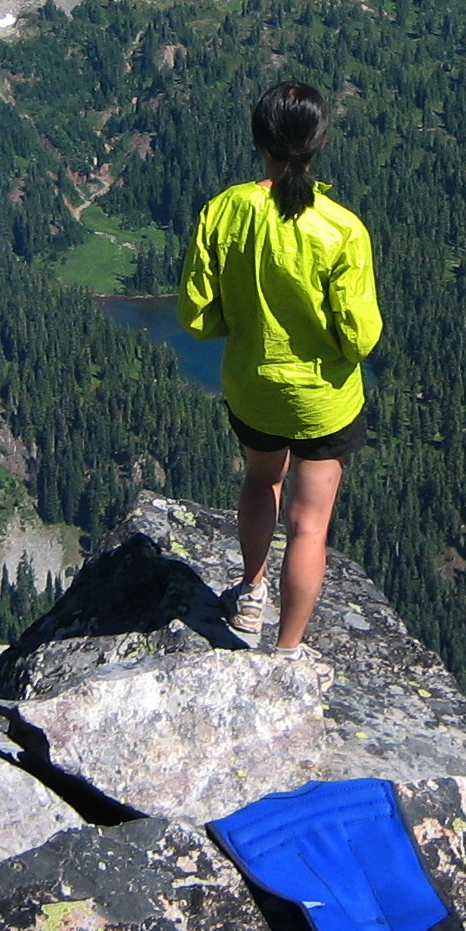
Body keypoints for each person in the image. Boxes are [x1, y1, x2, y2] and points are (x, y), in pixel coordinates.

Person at [176, 81, 382, 654]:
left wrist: (240, 325)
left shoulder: (224, 210)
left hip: (253, 385)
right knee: (309, 525)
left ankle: (250, 595)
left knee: (260, 478)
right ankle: (288, 651)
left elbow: (198, 315)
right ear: (319, 141)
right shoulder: (342, 228)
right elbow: (360, 336)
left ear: (258, 139)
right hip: (324, 399)